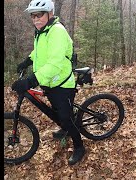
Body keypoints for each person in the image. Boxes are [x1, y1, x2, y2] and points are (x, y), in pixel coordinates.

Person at [11, 0, 85, 165]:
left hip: (62, 83)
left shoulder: (57, 31)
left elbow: (54, 63)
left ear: (50, 13)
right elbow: (39, 52)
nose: (36, 19)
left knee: (65, 118)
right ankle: (65, 128)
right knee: (59, 113)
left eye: (40, 15)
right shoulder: (42, 31)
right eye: (33, 16)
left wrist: (31, 80)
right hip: (49, 82)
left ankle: (79, 146)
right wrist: (27, 61)